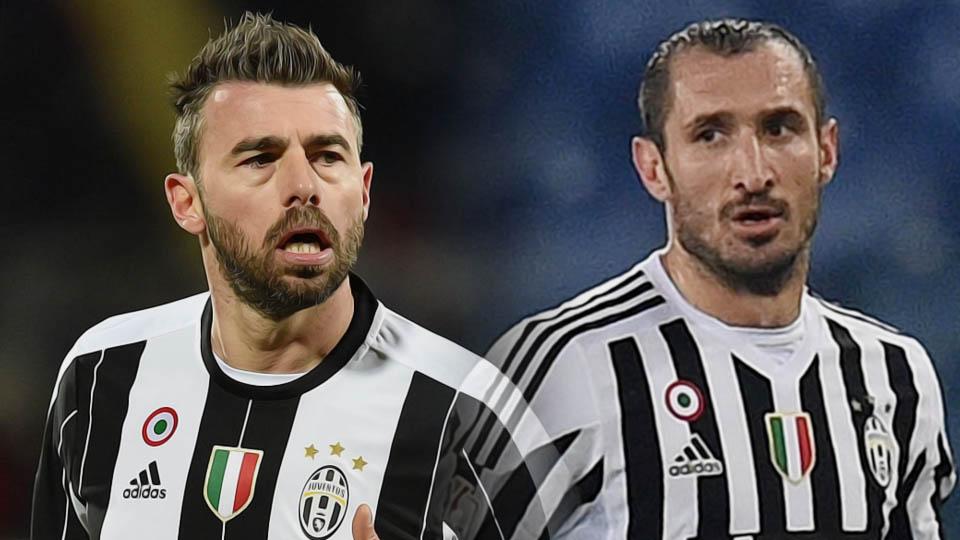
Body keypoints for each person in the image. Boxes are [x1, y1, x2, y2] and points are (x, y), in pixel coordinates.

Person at [31, 13, 557, 540]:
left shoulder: (469, 411)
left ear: (365, 190)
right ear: (187, 202)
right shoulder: (102, 374)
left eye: (328, 156)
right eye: (261, 159)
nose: (304, 185)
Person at [480, 18, 955, 539]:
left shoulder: (897, 373)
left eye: (779, 129)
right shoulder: (564, 362)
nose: (753, 174)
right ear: (653, 168)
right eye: (710, 135)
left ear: (827, 151)